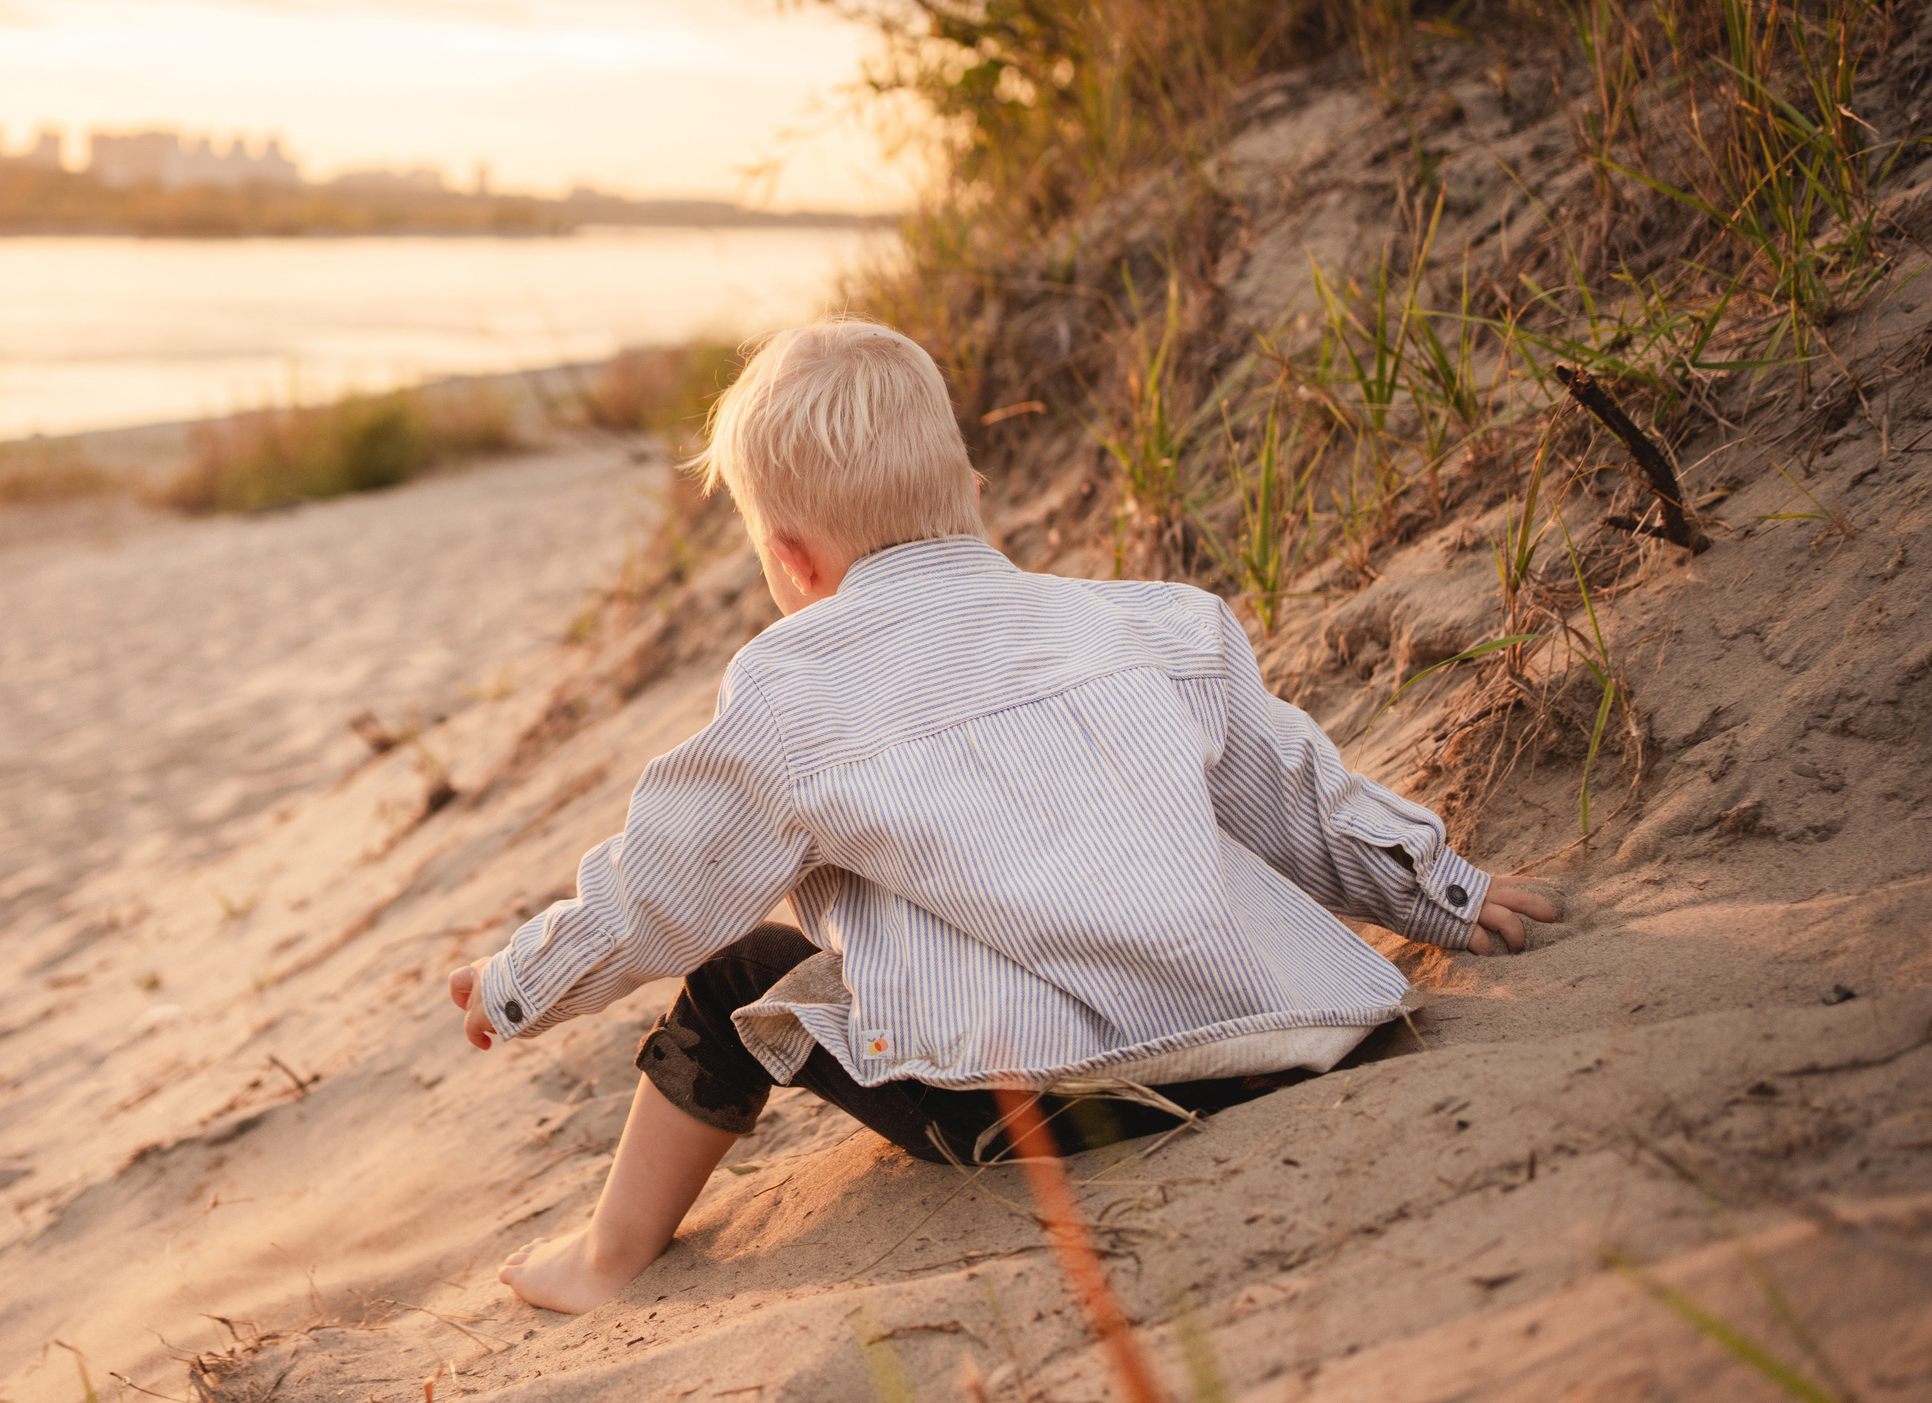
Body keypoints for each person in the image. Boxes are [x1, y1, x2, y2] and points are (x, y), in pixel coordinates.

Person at [445, 318, 1556, 1313]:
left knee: (738, 966)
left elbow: (664, 890)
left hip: (1032, 1108)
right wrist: (1444, 892)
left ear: (789, 557)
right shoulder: (1160, 624)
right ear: (974, 490)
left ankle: (607, 1256)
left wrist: (517, 983)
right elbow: (1296, 798)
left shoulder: (791, 691)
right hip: (1274, 1037)